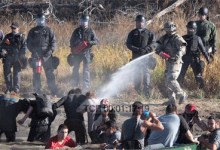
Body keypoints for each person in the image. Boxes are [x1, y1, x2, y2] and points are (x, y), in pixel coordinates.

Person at [27, 12, 58, 96]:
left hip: (47, 57)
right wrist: (34, 51)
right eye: (39, 20)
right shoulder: (33, 31)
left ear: (44, 20)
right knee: (36, 74)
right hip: (36, 56)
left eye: (42, 20)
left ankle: (53, 92)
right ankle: (37, 91)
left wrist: (49, 52)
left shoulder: (49, 30)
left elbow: (53, 43)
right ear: (36, 20)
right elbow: (29, 43)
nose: (40, 21)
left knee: (49, 74)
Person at [156, 21, 187, 105]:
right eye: (167, 30)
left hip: (176, 62)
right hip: (168, 61)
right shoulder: (164, 38)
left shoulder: (177, 38)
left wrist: (179, 54)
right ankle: (171, 100)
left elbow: (183, 46)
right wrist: (160, 52)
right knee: (167, 79)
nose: (168, 32)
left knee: (171, 78)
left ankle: (181, 94)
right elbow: (157, 46)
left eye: (169, 30)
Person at [126, 15, 157, 97]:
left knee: (146, 74)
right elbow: (128, 44)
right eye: (138, 22)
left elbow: (154, 44)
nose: (139, 24)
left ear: (144, 23)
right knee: (136, 75)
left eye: (141, 22)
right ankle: (138, 92)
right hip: (136, 58)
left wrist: (147, 48)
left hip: (146, 58)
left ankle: (147, 93)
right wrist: (137, 49)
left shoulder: (149, 33)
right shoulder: (132, 33)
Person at [69, 14, 98, 93]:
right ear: (80, 21)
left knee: (86, 70)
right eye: (82, 21)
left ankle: (86, 88)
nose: (84, 22)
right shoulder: (76, 31)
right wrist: (74, 48)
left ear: (88, 21)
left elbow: (96, 41)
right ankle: (75, 87)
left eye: (85, 21)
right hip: (77, 54)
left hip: (86, 53)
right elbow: (71, 41)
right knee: (75, 69)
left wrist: (89, 42)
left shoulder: (91, 31)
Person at [178, 21, 210, 89]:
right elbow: (179, 48)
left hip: (194, 59)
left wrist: (208, 58)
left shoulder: (197, 38)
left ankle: (201, 91)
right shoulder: (184, 38)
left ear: (195, 29)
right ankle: (178, 90)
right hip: (185, 59)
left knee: (198, 75)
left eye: (191, 29)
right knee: (181, 75)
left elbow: (203, 50)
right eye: (189, 28)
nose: (190, 30)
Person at [0, 22, 27, 94]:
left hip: (17, 57)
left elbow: (24, 47)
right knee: (7, 73)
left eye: (14, 28)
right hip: (8, 56)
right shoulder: (7, 36)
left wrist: (22, 56)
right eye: (12, 28)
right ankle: (9, 88)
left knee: (16, 73)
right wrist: (2, 51)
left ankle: (16, 89)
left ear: (18, 28)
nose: (13, 29)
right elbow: (2, 45)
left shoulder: (22, 37)